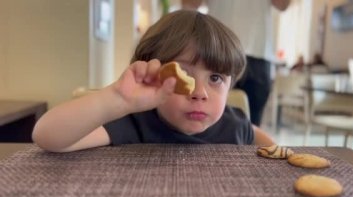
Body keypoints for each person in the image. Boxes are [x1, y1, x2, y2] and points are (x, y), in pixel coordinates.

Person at [32, 10, 275, 152]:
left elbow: (258, 137)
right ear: (151, 76)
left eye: (215, 78)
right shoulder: (134, 124)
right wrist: (116, 99)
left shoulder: (234, 124)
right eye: (184, 74)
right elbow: (46, 136)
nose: (199, 92)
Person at [202, 0, 291, 126]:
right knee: (208, 121)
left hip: (258, 51)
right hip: (217, 47)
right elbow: (190, 2)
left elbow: (283, 5)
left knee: (253, 124)